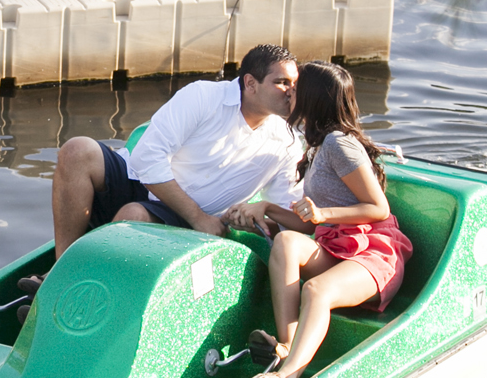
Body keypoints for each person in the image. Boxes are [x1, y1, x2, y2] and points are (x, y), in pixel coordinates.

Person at [240, 61, 412, 378]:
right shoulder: (317, 144)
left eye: (296, 87)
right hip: (340, 246)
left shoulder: (339, 144)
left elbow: (379, 208)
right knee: (287, 242)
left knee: (316, 290)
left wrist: (323, 212)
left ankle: (289, 375)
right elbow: (308, 222)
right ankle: (288, 343)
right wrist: (264, 209)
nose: (290, 91)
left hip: (374, 255)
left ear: (313, 97)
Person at [44, 43, 303, 260]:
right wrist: (199, 217)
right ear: (250, 83)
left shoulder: (289, 143)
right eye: (282, 83)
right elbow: (146, 157)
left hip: (177, 214)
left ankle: (74, 280)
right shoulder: (203, 95)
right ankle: (60, 268)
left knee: (133, 217)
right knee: (76, 150)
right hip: (145, 184)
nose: (292, 92)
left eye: (295, 84)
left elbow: (284, 221)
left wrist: (254, 218)